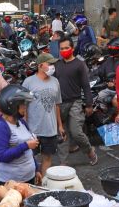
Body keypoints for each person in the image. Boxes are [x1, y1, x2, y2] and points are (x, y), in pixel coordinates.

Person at [54, 37, 97, 166]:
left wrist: (89, 104)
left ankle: (90, 151)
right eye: (61, 49)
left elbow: (86, 85)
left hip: (75, 102)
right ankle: (63, 163)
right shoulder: (57, 65)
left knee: (76, 132)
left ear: (72, 48)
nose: (64, 50)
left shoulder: (79, 64)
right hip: (60, 104)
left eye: (66, 48)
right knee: (62, 134)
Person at [0, 85, 41, 187]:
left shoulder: (21, 121)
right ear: (12, 106)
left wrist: (36, 169)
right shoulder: (0, 127)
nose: (25, 106)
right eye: (22, 104)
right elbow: (1, 156)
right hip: (11, 183)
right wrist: (25, 145)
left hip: (28, 177)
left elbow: (29, 150)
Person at [22, 53, 65, 174]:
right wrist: (25, 128)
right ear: (40, 65)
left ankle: (42, 184)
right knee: (30, 159)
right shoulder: (28, 82)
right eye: (50, 64)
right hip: (33, 130)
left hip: (50, 129)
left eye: (53, 64)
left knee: (47, 158)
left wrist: (60, 126)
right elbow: (23, 107)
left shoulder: (55, 81)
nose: (52, 66)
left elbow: (57, 104)